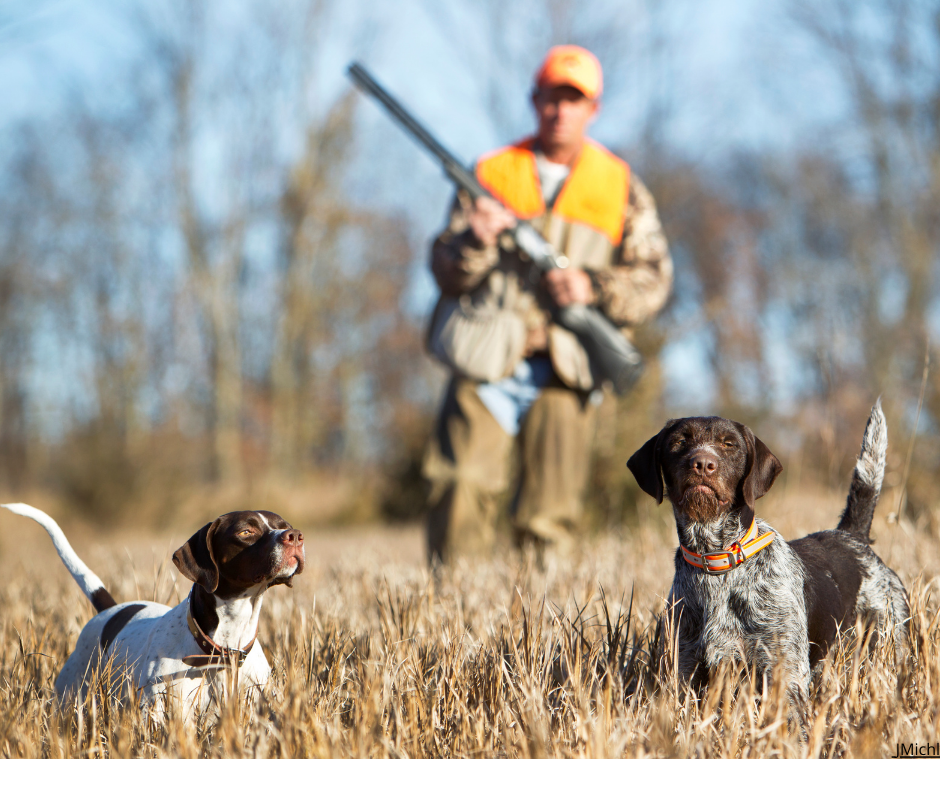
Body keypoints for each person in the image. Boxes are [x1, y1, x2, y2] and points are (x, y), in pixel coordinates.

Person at [423, 45, 673, 564]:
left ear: (593, 109)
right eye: (551, 97)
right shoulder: (490, 172)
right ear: (533, 100)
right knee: (459, 488)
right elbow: (445, 271)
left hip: (567, 363)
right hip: (488, 355)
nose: (560, 110)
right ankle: (452, 608)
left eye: (573, 99)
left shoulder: (620, 185)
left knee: (549, 517)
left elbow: (654, 280)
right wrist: (474, 239)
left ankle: (534, 629)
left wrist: (593, 287)